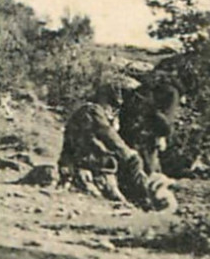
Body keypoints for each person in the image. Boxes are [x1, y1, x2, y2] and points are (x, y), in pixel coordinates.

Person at [58, 77, 173, 210]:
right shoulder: (92, 111)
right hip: (88, 164)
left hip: (93, 162)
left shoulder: (97, 112)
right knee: (133, 161)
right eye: (124, 94)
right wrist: (128, 154)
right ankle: (150, 199)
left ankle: (149, 197)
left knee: (133, 163)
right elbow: (109, 137)